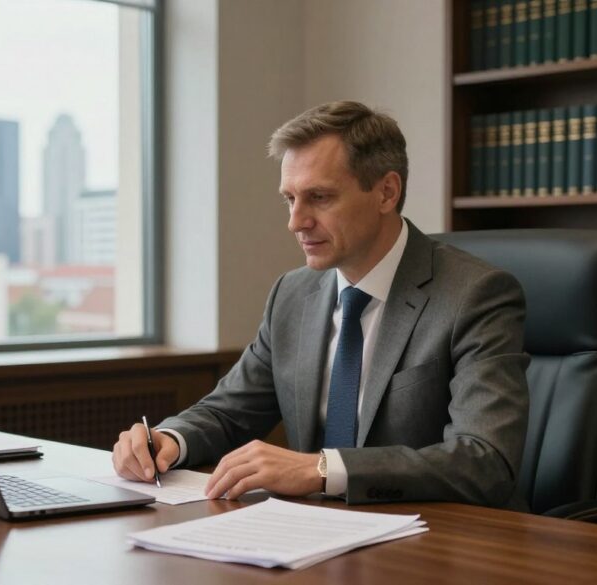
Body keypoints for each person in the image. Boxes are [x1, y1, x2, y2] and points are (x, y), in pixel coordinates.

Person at [112, 101, 530, 508]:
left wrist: (324, 469)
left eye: (319, 197)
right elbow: (229, 412)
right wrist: (169, 439)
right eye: (289, 199)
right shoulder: (292, 295)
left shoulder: (475, 294)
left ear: (386, 192)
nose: (296, 221)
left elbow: (485, 459)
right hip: (318, 537)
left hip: (445, 542)